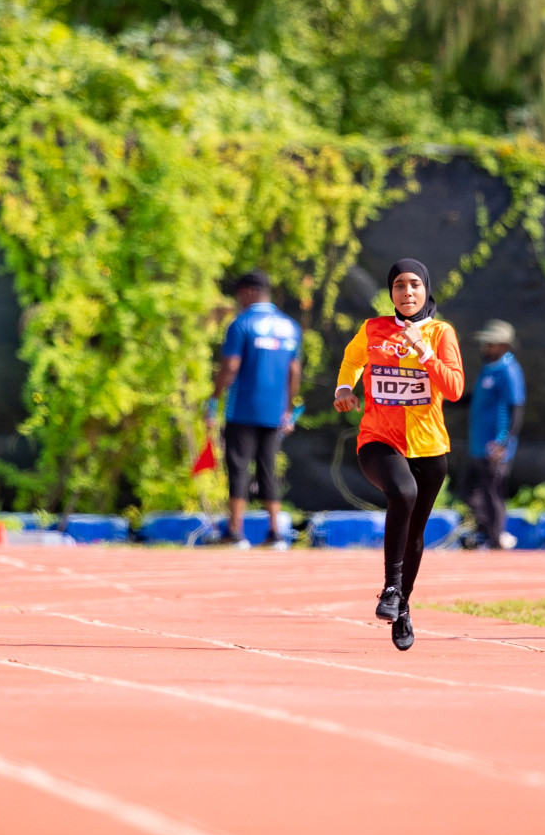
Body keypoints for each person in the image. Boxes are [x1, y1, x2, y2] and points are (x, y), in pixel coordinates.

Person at [334, 258, 464, 651]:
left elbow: (455, 388)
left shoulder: (441, 333)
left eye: (414, 286)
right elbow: (353, 359)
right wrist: (344, 388)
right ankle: (391, 588)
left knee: (416, 535)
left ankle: (402, 606)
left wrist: (424, 353)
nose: (406, 293)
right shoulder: (373, 329)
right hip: (379, 439)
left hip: (428, 447)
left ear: (426, 290)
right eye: (398, 286)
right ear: (391, 293)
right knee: (402, 493)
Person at [208, 270, 302, 549]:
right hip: (275, 412)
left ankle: (235, 532)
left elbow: (231, 366)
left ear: (248, 292)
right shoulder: (290, 326)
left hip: (243, 409)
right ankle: (275, 533)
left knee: (238, 467)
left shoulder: (241, 324)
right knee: (268, 469)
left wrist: (213, 398)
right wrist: (288, 409)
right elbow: (294, 371)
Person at [464, 319, 525, 550]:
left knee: (492, 493)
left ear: (505, 346)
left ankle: (496, 537)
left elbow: (516, 408)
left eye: (492, 343)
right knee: (468, 489)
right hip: (477, 444)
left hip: (495, 446)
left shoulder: (509, 370)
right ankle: (487, 532)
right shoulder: (487, 369)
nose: (487, 347)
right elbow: (477, 400)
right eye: (486, 343)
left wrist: (503, 443)